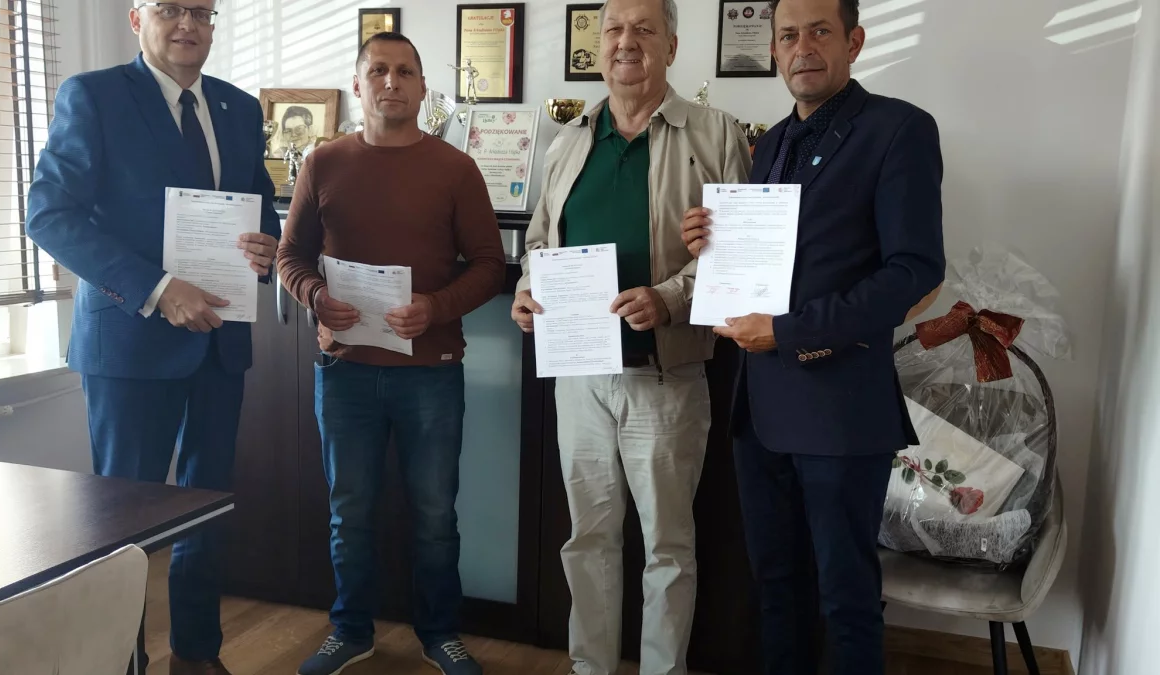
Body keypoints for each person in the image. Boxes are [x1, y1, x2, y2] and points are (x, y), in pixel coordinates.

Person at [681, 0, 945, 673]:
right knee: (776, 586)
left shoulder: (899, 129)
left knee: (845, 597)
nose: (803, 47)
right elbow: (774, 262)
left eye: (820, 31)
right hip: (761, 408)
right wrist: (712, 244)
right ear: (773, 50)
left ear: (853, 41)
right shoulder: (769, 142)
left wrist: (790, 332)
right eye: (788, 35)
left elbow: (913, 272)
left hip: (841, 407)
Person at [25, 2, 280, 674]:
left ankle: (196, 654)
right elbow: (48, 213)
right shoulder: (95, 96)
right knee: (124, 521)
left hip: (220, 339)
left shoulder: (238, 109)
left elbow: (260, 203)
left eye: (201, 11)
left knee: (206, 508)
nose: (186, 23)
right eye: (170, 8)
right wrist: (158, 289)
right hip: (131, 343)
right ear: (137, 19)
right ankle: (123, 661)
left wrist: (267, 244)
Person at [511, 0, 751, 673]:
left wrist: (669, 298)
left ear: (671, 47)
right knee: (586, 539)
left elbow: (742, 255)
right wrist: (529, 290)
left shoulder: (715, 133)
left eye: (645, 29)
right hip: (580, 376)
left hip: (666, 377)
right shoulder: (569, 140)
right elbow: (539, 241)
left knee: (667, 547)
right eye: (613, 28)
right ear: (598, 46)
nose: (626, 41)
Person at [276, 32, 504, 675]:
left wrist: (436, 307)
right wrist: (315, 295)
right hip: (345, 372)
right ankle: (350, 631)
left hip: (431, 372)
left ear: (423, 87)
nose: (391, 83)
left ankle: (440, 634)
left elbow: (489, 266)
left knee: (434, 514)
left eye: (405, 72)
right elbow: (290, 257)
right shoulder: (323, 162)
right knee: (349, 513)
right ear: (358, 84)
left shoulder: (455, 168)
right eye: (378, 70)